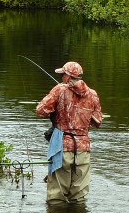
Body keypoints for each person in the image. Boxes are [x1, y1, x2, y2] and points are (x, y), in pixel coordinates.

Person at [36, 61, 103, 203]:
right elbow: (98, 122)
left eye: (63, 75)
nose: (62, 79)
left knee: (56, 196)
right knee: (78, 197)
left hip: (62, 147)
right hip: (83, 150)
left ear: (68, 77)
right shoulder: (93, 94)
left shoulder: (59, 90)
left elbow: (40, 111)